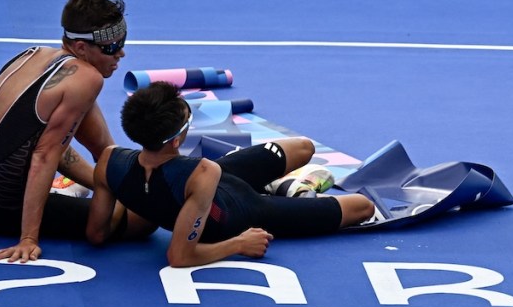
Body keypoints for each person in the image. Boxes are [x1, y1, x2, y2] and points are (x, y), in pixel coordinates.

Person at [86, 81, 377, 266]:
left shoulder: (111, 160)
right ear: (177, 140)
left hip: (211, 181)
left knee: (303, 148)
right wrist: (239, 243)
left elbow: (97, 234)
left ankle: (277, 184)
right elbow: (179, 256)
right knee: (362, 207)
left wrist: (143, 196)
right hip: (242, 210)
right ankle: (281, 189)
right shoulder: (201, 171)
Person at [0, 0, 154, 262]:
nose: (120, 54)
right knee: (142, 218)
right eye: (111, 47)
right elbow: (43, 156)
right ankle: (118, 186)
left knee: (103, 155)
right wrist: (28, 239)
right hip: (0, 208)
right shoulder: (86, 79)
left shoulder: (36, 54)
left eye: (123, 42)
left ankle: (117, 181)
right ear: (80, 47)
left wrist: (113, 182)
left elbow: (47, 144)